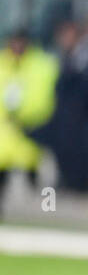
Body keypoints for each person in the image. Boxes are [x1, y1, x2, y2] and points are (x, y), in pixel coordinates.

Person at [0, 29, 59, 204]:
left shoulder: (43, 65)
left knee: (40, 184)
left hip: (33, 132)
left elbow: (45, 98)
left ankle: (47, 212)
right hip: (5, 135)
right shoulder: (3, 63)